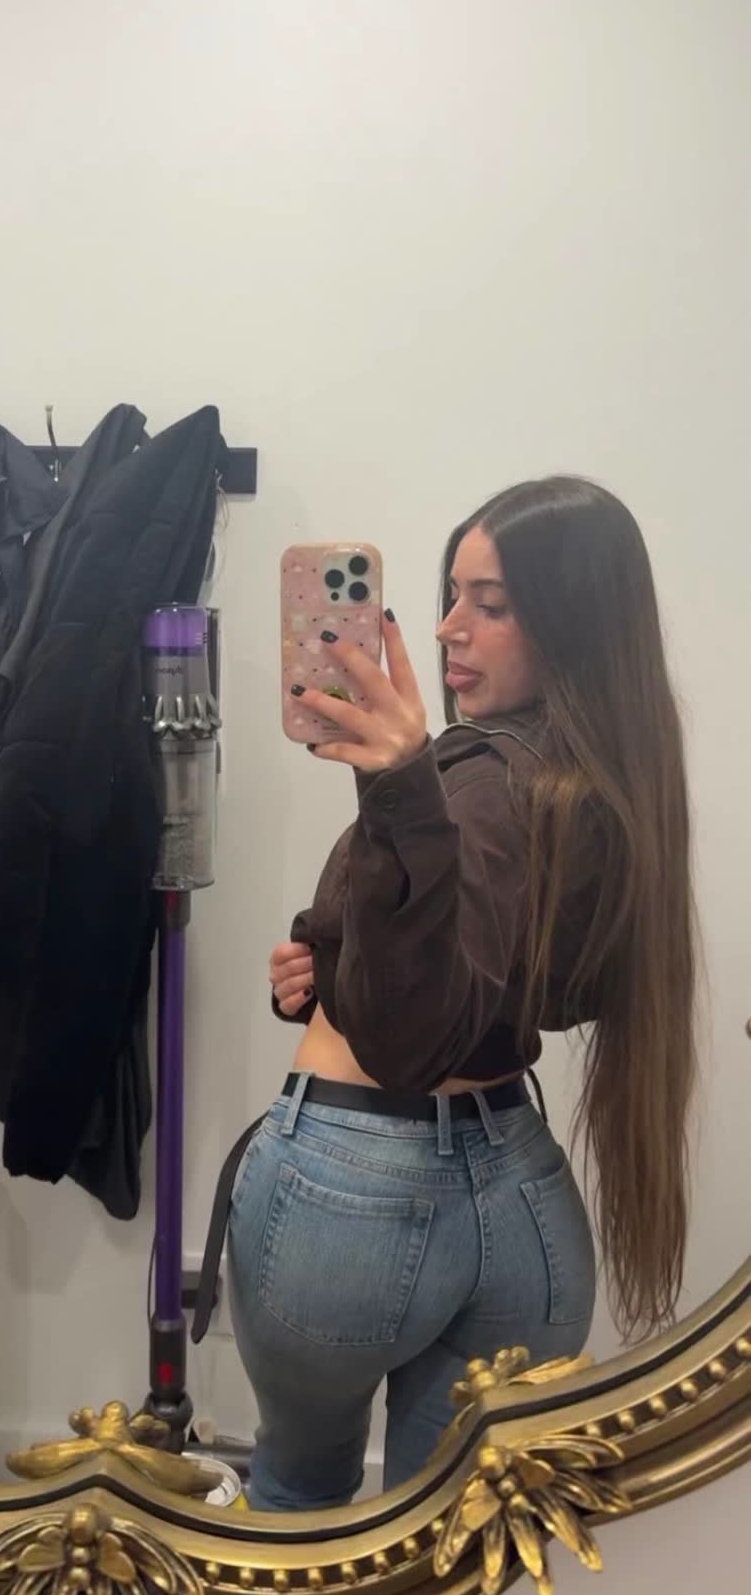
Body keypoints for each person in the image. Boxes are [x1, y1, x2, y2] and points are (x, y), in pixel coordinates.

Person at [222, 476, 698, 1509]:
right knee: (450, 1547)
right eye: (450, 595)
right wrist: (334, 970)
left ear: (572, 621)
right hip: (522, 1203)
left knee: (299, 1503)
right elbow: (538, 991)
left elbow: (408, 1045)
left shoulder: (470, 780)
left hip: (352, 1197)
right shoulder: (599, 781)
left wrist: (399, 786)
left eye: (493, 604)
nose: (447, 628)